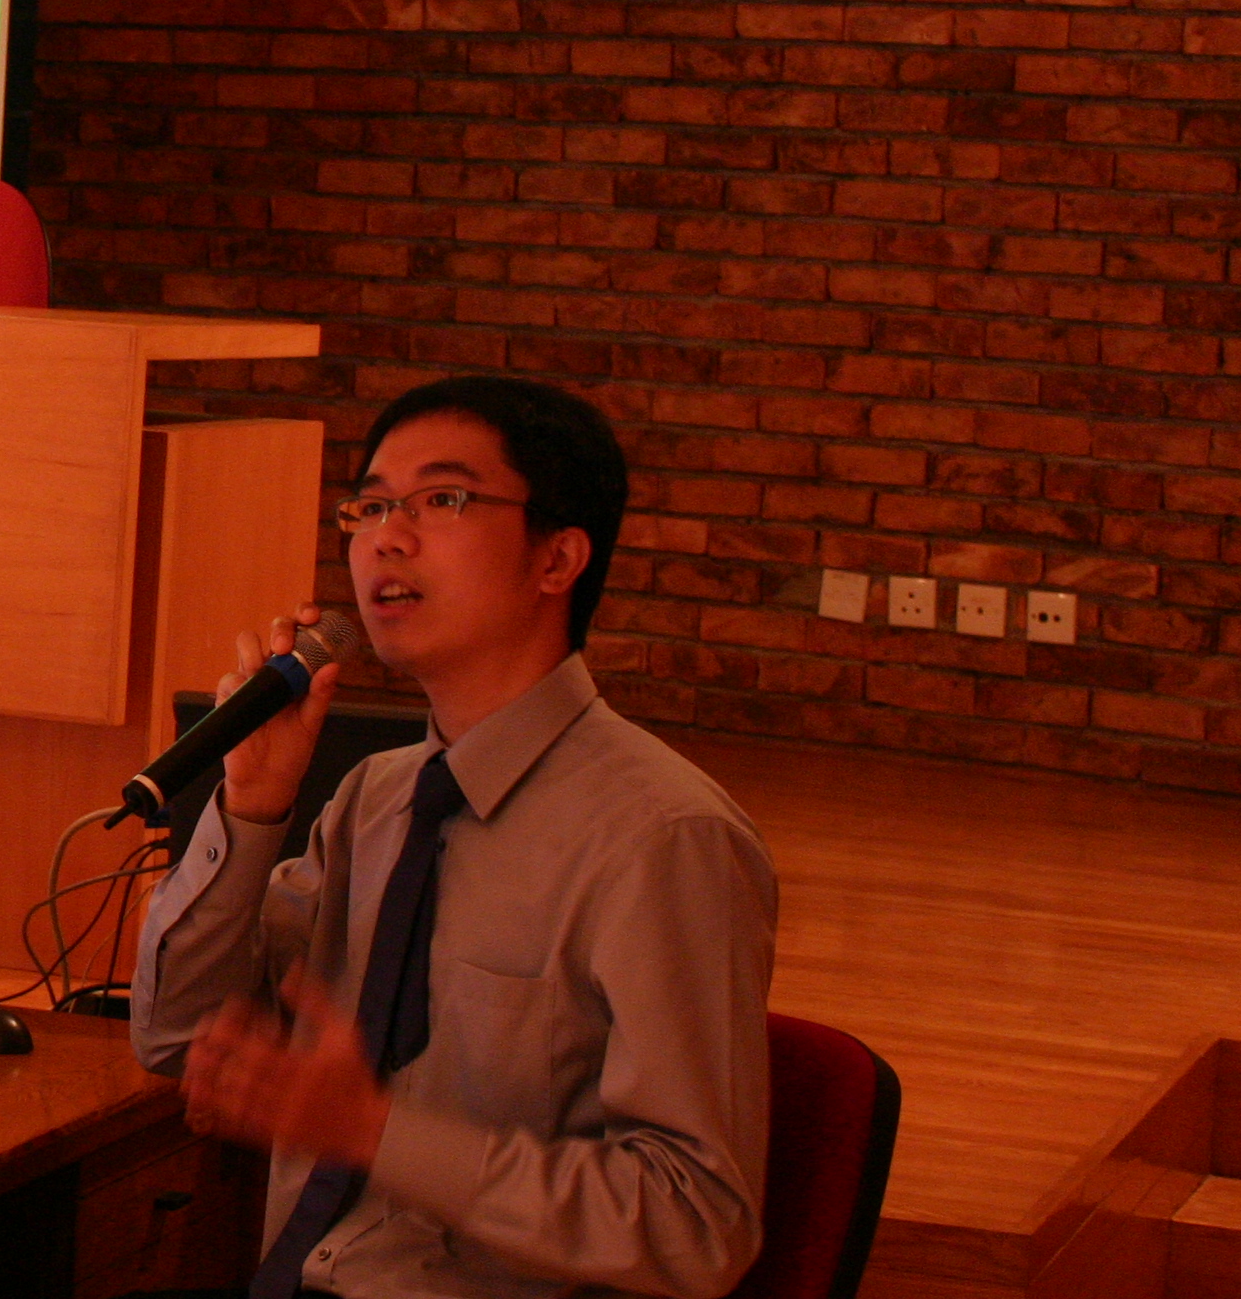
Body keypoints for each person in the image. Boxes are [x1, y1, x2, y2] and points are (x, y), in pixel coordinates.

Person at [130, 376, 775, 1299]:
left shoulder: (663, 839)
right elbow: (175, 1038)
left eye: (442, 500)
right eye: (372, 506)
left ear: (557, 558)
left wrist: (377, 1133)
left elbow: (697, 1222)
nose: (387, 537)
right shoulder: (375, 800)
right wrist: (252, 807)